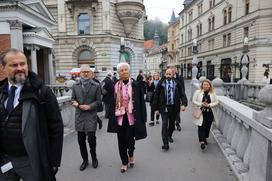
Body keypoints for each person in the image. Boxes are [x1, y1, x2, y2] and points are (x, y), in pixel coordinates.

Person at [0, 48, 63, 181]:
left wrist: (53, 161)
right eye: (14, 65)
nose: (20, 68)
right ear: (3, 68)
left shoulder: (41, 92)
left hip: (31, 160)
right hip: (5, 160)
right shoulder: (1, 92)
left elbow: (56, 127)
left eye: (23, 64)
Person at [107, 62, 147, 173]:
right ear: (119, 73)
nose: (124, 72)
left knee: (130, 140)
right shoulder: (115, 85)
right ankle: (124, 162)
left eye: (126, 69)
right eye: (121, 70)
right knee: (121, 141)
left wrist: (144, 117)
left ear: (128, 71)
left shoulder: (136, 84)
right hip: (119, 117)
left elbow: (141, 102)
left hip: (131, 117)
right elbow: (112, 101)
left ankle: (131, 154)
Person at [71, 65, 102, 171]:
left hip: (91, 116)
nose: (85, 73)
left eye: (87, 72)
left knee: (92, 140)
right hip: (79, 116)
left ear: (90, 73)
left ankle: (94, 157)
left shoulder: (96, 85)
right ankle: (85, 160)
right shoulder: (75, 85)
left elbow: (99, 101)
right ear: (80, 73)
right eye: (83, 72)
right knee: (81, 140)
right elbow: (72, 99)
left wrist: (89, 106)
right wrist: (74, 103)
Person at [153, 68, 187, 151]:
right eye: (167, 74)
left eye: (170, 74)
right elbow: (156, 95)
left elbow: (182, 93)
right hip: (164, 107)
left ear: (172, 74)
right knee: (165, 124)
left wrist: (183, 104)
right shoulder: (161, 83)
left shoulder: (176, 83)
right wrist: (156, 108)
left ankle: (169, 136)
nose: (168, 76)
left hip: (174, 107)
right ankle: (165, 144)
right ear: (165, 75)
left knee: (171, 125)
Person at [192, 79, 219, 150]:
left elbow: (216, 102)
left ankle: (205, 137)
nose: (205, 86)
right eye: (204, 84)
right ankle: (202, 142)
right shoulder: (198, 92)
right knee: (201, 126)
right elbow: (194, 101)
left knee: (207, 126)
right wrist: (201, 104)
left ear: (210, 86)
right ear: (202, 85)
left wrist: (209, 105)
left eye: (207, 85)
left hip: (210, 112)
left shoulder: (213, 93)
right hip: (201, 112)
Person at [171, 66, 186, 131]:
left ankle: (177, 123)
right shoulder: (168, 78)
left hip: (178, 97)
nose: (173, 72)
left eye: (174, 70)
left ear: (176, 71)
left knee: (177, 111)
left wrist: (183, 100)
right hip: (170, 98)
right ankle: (172, 123)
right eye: (171, 71)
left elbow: (183, 88)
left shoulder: (180, 77)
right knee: (171, 112)